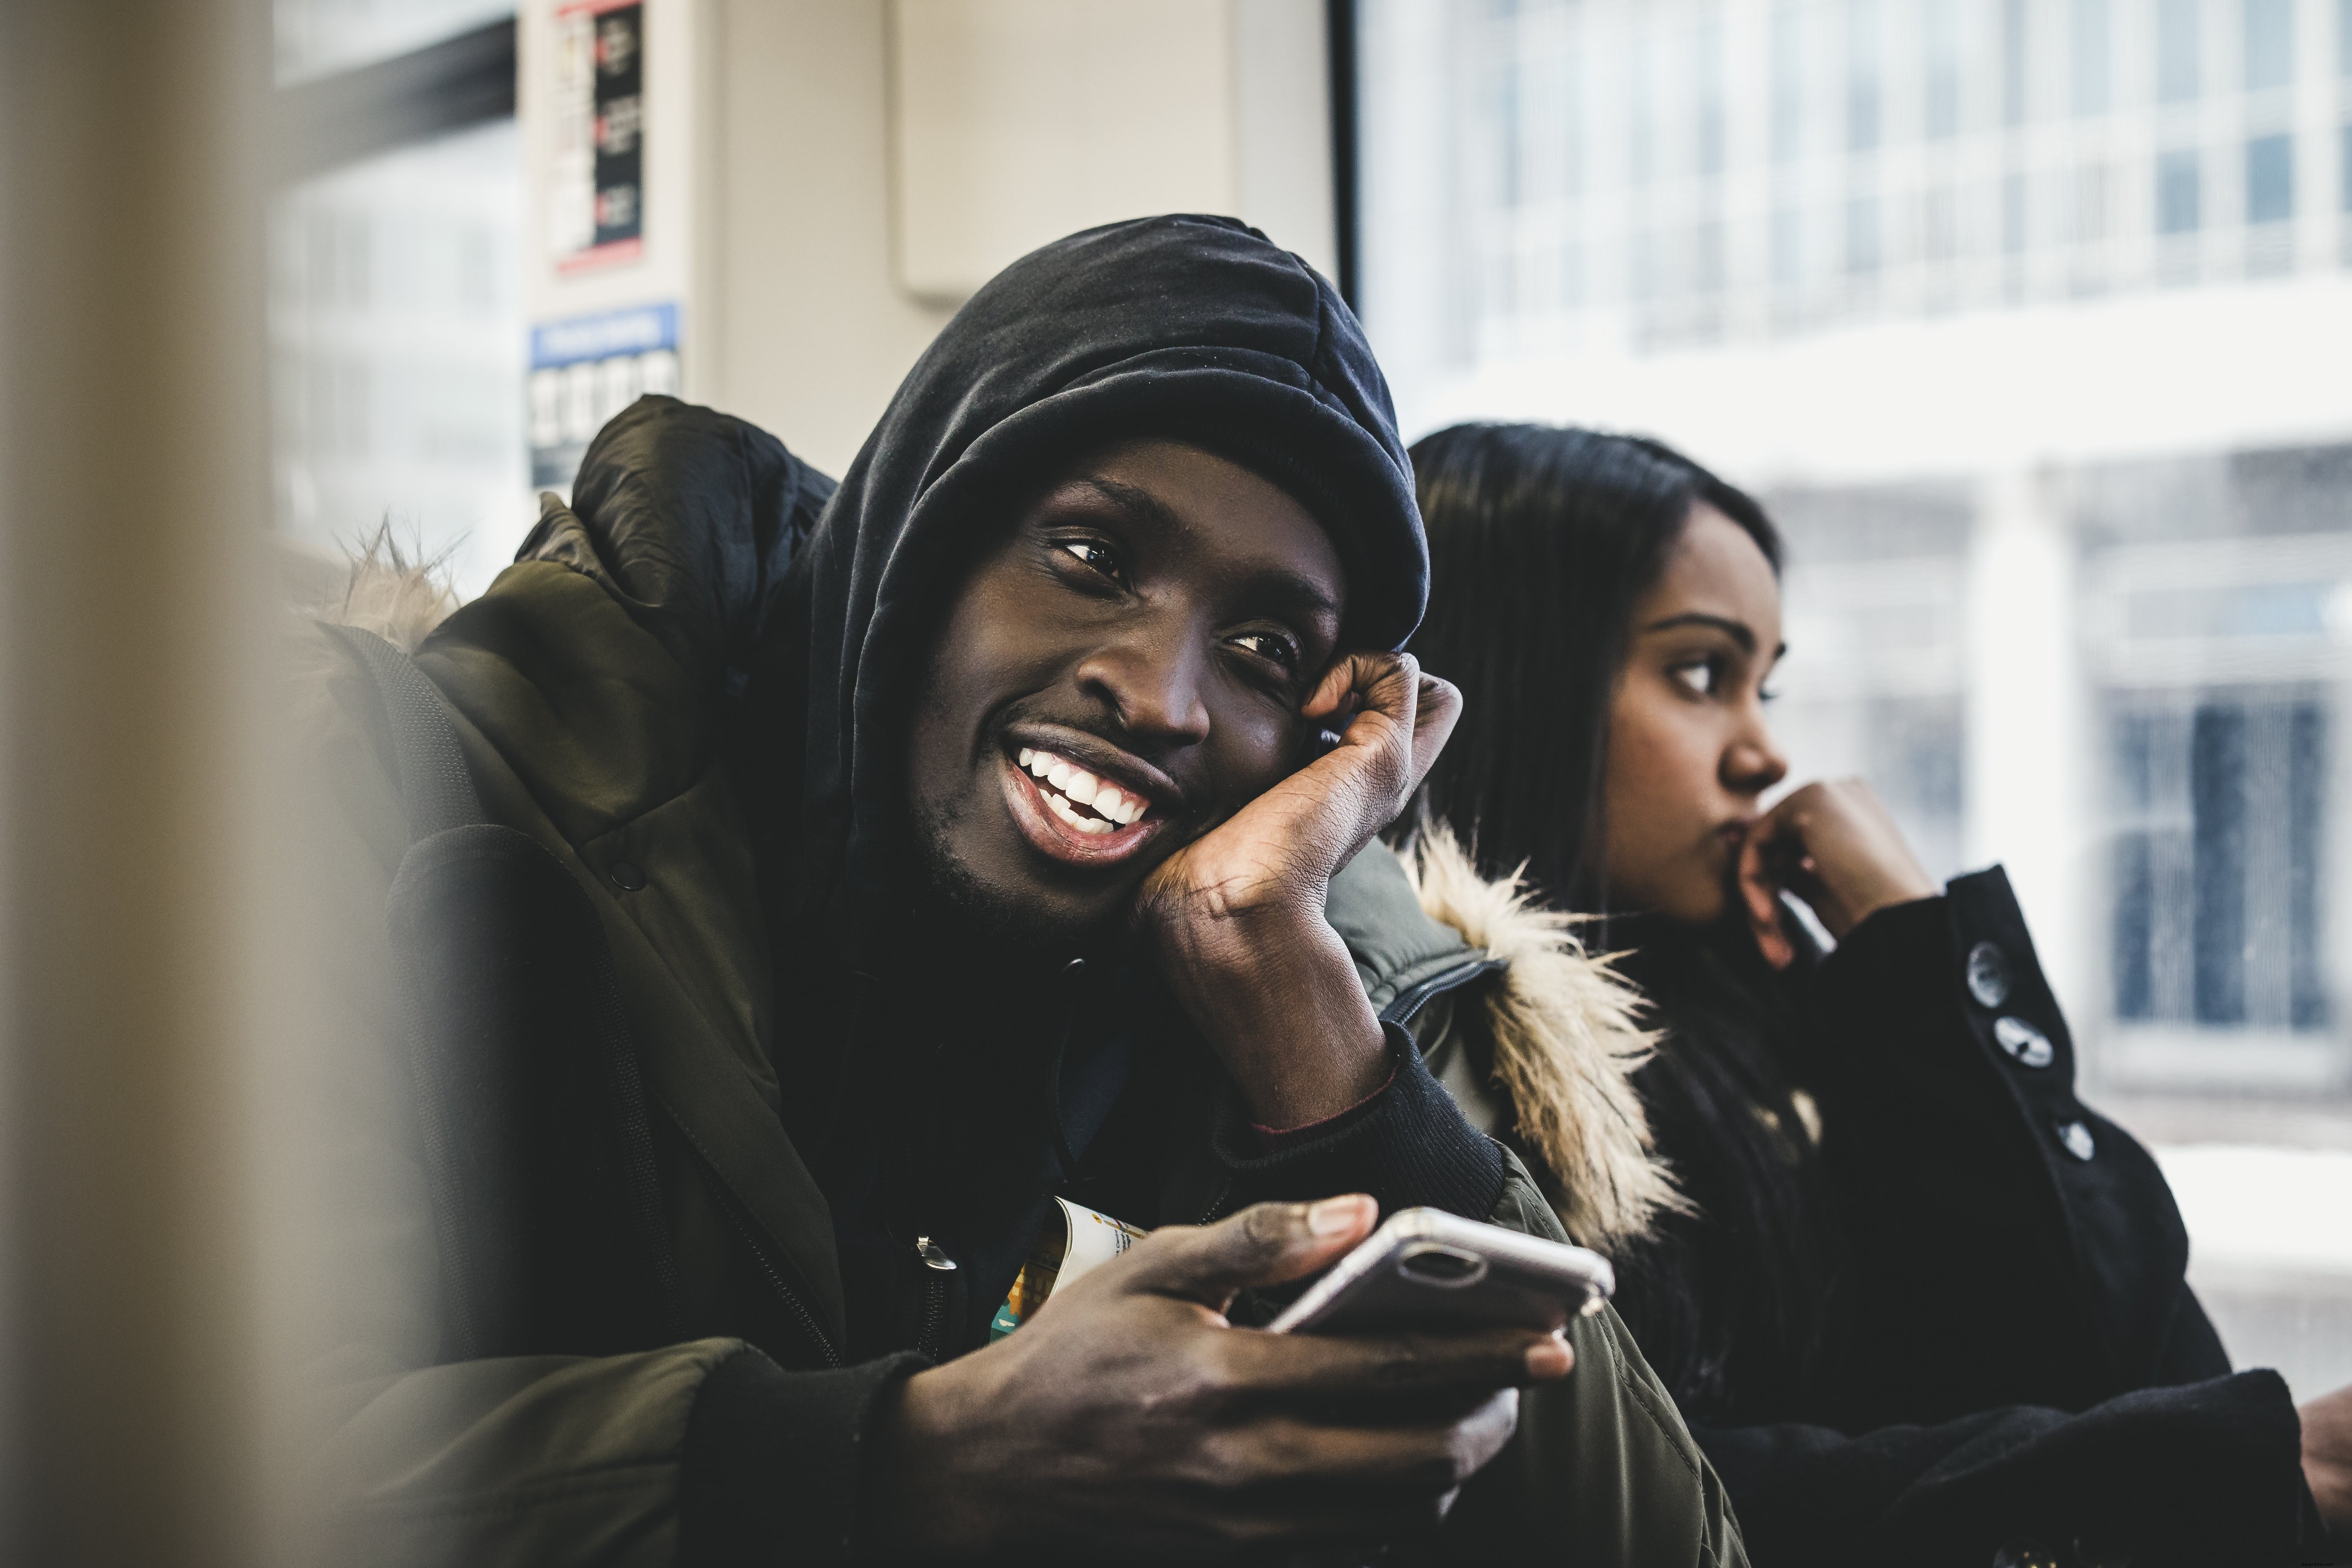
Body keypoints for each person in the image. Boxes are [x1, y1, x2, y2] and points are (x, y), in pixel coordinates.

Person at [289, 222, 1745, 1564]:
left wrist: (1307, 1034)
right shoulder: (383, 788)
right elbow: (164, 1475)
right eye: (1093, 558)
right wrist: (899, 1462)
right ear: (921, 538)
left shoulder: (1255, 977)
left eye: (1255, 650)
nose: (1161, 694)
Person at [1389, 421, 2352, 1566]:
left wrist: (1909, 948)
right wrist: (2196, 1471)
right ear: (1515, 676)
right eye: (1702, 674)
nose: (1762, 754)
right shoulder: (1421, 1055)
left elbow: (2107, 1341)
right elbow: (1629, 1495)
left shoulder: (1752, 1008)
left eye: (1765, 687)